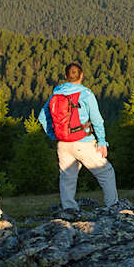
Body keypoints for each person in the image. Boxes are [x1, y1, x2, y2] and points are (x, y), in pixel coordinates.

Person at [38, 61, 118, 214]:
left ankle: (69, 210)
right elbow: (97, 120)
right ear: (81, 75)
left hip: (63, 143)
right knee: (105, 172)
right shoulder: (86, 94)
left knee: (67, 178)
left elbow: (43, 117)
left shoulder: (56, 94)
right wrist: (102, 142)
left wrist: (54, 135)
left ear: (66, 76)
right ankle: (112, 208)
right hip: (83, 141)